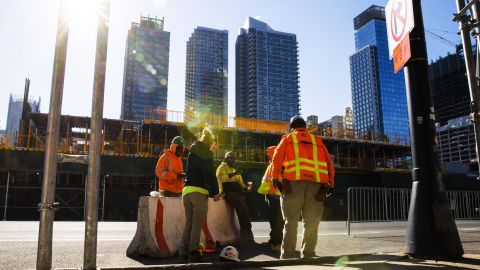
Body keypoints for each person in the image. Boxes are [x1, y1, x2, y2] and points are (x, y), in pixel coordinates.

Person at [271, 116, 335, 259]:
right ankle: (309, 254)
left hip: (293, 185)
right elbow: (329, 164)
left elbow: (276, 159)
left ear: (291, 127)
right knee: (312, 223)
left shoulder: (288, 139)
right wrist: (331, 184)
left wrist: (276, 178)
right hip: (317, 187)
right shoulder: (317, 141)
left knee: (291, 222)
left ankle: (288, 256)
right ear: (305, 127)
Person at [179, 128, 222, 263]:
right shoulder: (206, 152)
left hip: (186, 191)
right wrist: (215, 192)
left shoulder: (192, 150)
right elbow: (209, 174)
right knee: (197, 224)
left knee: (189, 223)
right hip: (199, 192)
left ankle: (183, 253)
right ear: (210, 142)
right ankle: (193, 252)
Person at [216, 151, 255, 244]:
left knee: (244, 209)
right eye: (230, 158)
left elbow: (241, 183)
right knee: (242, 208)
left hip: (236, 193)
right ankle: (244, 234)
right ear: (226, 159)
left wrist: (247, 188)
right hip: (226, 192)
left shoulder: (234, 169)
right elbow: (221, 179)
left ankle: (247, 232)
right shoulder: (222, 167)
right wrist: (233, 174)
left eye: (234, 159)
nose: (232, 160)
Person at [257, 146, 283, 252]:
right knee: (273, 220)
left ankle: (278, 243)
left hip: (276, 196)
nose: (267, 155)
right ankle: (274, 240)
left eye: (268, 153)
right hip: (270, 195)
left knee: (277, 221)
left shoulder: (277, 164)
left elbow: (279, 180)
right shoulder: (272, 164)